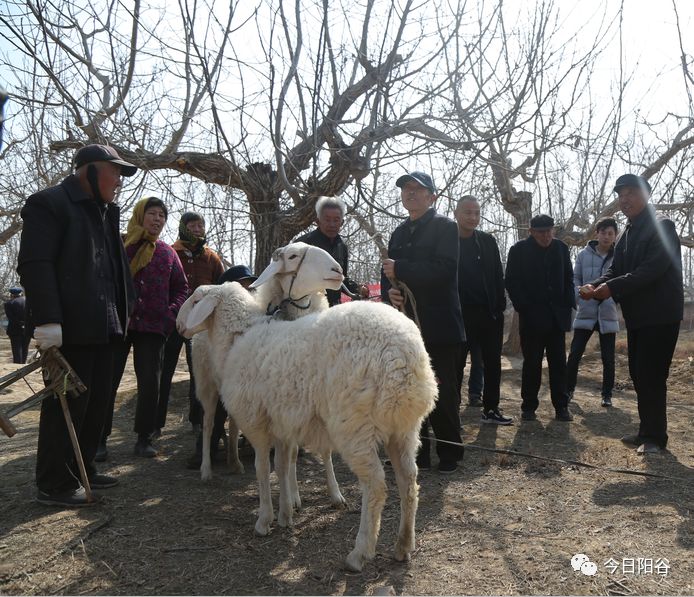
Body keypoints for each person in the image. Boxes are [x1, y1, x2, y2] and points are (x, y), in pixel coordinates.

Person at [17, 143, 136, 507]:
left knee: (98, 402)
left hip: (107, 327)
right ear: (88, 171)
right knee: (66, 404)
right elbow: (35, 265)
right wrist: (49, 321)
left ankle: (82, 468)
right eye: (113, 171)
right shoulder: (48, 204)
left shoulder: (106, 212)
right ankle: (54, 483)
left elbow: (115, 271)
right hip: (70, 327)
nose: (118, 180)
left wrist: (125, 314)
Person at [580, 174, 683, 454]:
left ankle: (655, 438)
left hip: (661, 315)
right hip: (639, 316)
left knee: (651, 374)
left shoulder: (663, 226)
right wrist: (598, 283)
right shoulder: (627, 231)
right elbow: (617, 268)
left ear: (646, 195)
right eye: (621, 195)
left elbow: (652, 269)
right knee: (639, 374)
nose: (625, 199)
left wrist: (611, 288)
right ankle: (645, 431)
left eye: (631, 193)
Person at [381, 171, 466, 474]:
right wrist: (390, 293)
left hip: (439, 325)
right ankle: (415, 453)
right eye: (406, 189)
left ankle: (450, 454)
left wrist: (402, 267)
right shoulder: (399, 233)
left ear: (432, 196)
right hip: (405, 326)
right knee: (408, 390)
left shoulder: (445, 228)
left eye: (418, 190)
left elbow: (443, 270)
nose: (410, 194)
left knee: (442, 391)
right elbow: (388, 273)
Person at [102, 197, 188, 459]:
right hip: (119, 324)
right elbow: (103, 278)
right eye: (152, 213)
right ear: (140, 215)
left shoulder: (168, 252)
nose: (157, 219)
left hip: (153, 326)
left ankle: (144, 438)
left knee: (151, 383)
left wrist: (169, 315)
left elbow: (182, 288)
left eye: (162, 215)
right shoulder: (119, 245)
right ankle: (98, 439)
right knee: (108, 381)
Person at [155, 211, 224, 441]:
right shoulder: (169, 252)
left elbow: (221, 287)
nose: (197, 230)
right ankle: (155, 424)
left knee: (199, 372)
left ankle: (197, 420)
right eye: (193, 226)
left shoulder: (211, 257)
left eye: (200, 226)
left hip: (201, 325)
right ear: (183, 228)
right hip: (172, 321)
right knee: (163, 372)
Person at [187, 264, 258, 469]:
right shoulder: (208, 323)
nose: (246, 292)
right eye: (241, 287)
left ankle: (234, 454)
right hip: (212, 365)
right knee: (211, 409)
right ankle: (204, 454)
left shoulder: (252, 321)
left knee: (238, 405)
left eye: (248, 287)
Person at [505, 214, 575, 422]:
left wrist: (568, 303)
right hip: (531, 318)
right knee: (532, 363)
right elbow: (511, 281)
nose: (546, 236)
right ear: (531, 232)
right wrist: (524, 307)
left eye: (549, 231)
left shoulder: (561, 249)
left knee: (558, 364)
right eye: (541, 232)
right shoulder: (518, 250)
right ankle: (528, 407)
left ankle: (561, 407)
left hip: (556, 318)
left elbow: (568, 278)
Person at [454, 196, 512, 425]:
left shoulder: (487, 241)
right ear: (456, 214)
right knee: (456, 365)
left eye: (477, 213)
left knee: (492, 364)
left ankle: (491, 409)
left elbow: (498, 276)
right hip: (459, 316)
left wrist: (499, 308)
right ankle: (452, 411)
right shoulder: (447, 242)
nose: (473, 217)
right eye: (468, 212)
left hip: (489, 315)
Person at [566, 217, 620, 407]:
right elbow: (575, 280)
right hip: (586, 312)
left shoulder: (619, 256)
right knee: (574, 354)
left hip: (608, 313)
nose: (606, 236)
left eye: (611, 233)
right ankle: (568, 390)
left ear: (615, 236)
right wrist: (580, 294)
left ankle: (607, 395)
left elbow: (622, 283)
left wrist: (613, 297)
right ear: (597, 233)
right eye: (603, 232)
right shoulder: (583, 255)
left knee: (608, 358)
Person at [296, 196, 368, 306]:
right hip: (307, 308)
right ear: (317, 221)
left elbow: (341, 279)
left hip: (334, 309)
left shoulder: (342, 247)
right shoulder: (302, 244)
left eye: (336, 220)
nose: (332, 224)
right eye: (327, 219)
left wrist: (358, 289)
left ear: (342, 222)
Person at [4, 287, 31, 364]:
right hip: (27, 328)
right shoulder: (28, 302)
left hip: (14, 329)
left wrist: (20, 324)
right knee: (25, 348)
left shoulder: (9, 304)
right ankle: (24, 363)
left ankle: (18, 365)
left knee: (16, 348)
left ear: (11, 295)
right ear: (21, 293)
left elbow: (11, 318)